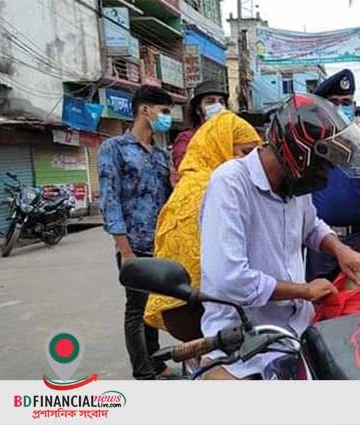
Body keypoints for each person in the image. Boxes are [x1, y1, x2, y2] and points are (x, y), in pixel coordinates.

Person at [198, 93, 360, 379]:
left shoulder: (294, 187)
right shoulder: (230, 184)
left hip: (297, 336)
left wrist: (339, 249)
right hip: (243, 348)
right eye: (323, 164)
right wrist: (304, 291)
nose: (326, 173)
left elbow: (312, 226)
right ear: (298, 152)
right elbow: (229, 279)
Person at [143, 110, 262, 342]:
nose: (249, 162)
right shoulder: (211, 187)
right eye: (244, 152)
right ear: (220, 145)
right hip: (197, 308)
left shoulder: (202, 184)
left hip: (208, 303)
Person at [98, 85, 175, 380]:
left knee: (153, 308)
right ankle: (143, 371)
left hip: (158, 245)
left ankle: (156, 362)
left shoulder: (159, 155)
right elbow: (109, 199)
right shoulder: (114, 149)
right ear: (146, 110)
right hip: (133, 246)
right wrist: (125, 250)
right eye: (164, 111)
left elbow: (167, 200)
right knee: (136, 309)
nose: (166, 117)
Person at [306, 70, 360, 281]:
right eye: (333, 102)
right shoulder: (310, 146)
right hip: (321, 242)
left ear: (353, 107)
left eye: (346, 102)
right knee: (321, 307)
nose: (340, 107)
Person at [170, 81, 229, 184]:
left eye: (221, 102)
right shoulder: (186, 139)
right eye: (210, 101)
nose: (218, 106)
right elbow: (186, 171)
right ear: (198, 110)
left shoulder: (231, 138)